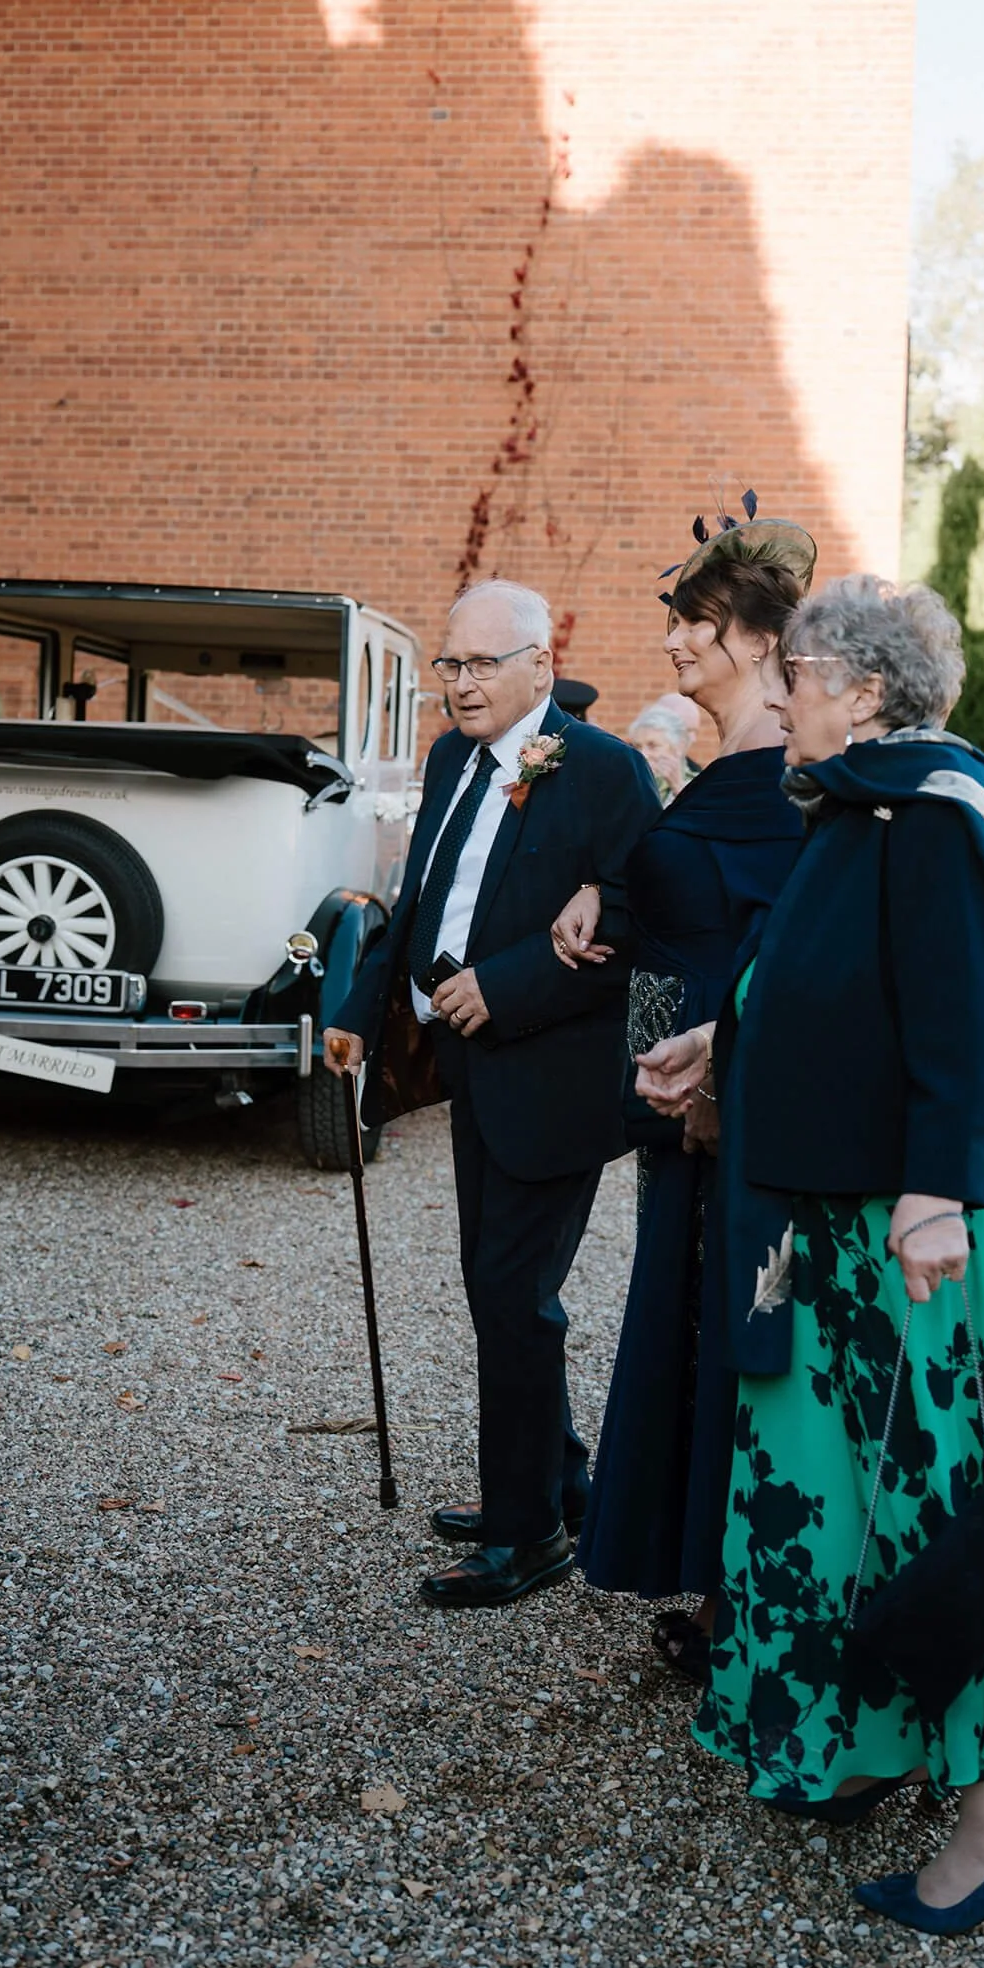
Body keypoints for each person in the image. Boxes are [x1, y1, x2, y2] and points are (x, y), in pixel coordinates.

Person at [637, 575, 984, 1945]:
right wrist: (727, 1041)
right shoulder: (871, 803)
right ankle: (880, 1739)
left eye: (798, 674)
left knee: (942, 1499)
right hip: (848, 1219)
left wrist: (931, 1197)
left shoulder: (931, 808)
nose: (777, 695)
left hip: (915, 1226)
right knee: (855, 1489)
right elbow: (840, 977)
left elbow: (960, 1014)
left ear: (865, 689)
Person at [323, 580, 660, 1610]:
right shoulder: (449, 760)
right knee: (496, 1291)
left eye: (480, 665)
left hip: (558, 1080)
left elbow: (642, 927)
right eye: (450, 667)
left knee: (513, 1302)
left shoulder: (606, 772)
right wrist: (363, 1006)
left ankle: (527, 1537)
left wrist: (504, 985)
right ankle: (553, 1482)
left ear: (540, 668)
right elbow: (424, 895)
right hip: (473, 1074)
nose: (459, 686)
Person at [551, 517, 812, 1681]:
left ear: (755, 639)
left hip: (733, 1104)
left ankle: (749, 1595)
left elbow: (777, 945)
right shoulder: (714, 768)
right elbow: (670, 896)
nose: (668, 644)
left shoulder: (787, 781)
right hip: (677, 1094)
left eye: (689, 625)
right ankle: (714, 1577)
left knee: (737, 1334)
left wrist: (721, 1069)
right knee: (688, 1326)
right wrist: (601, 894)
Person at [625, 694, 702, 804]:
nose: (643, 754)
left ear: (678, 747)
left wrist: (678, 788)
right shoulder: (627, 780)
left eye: (653, 746)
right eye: (637, 746)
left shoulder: (700, 784)